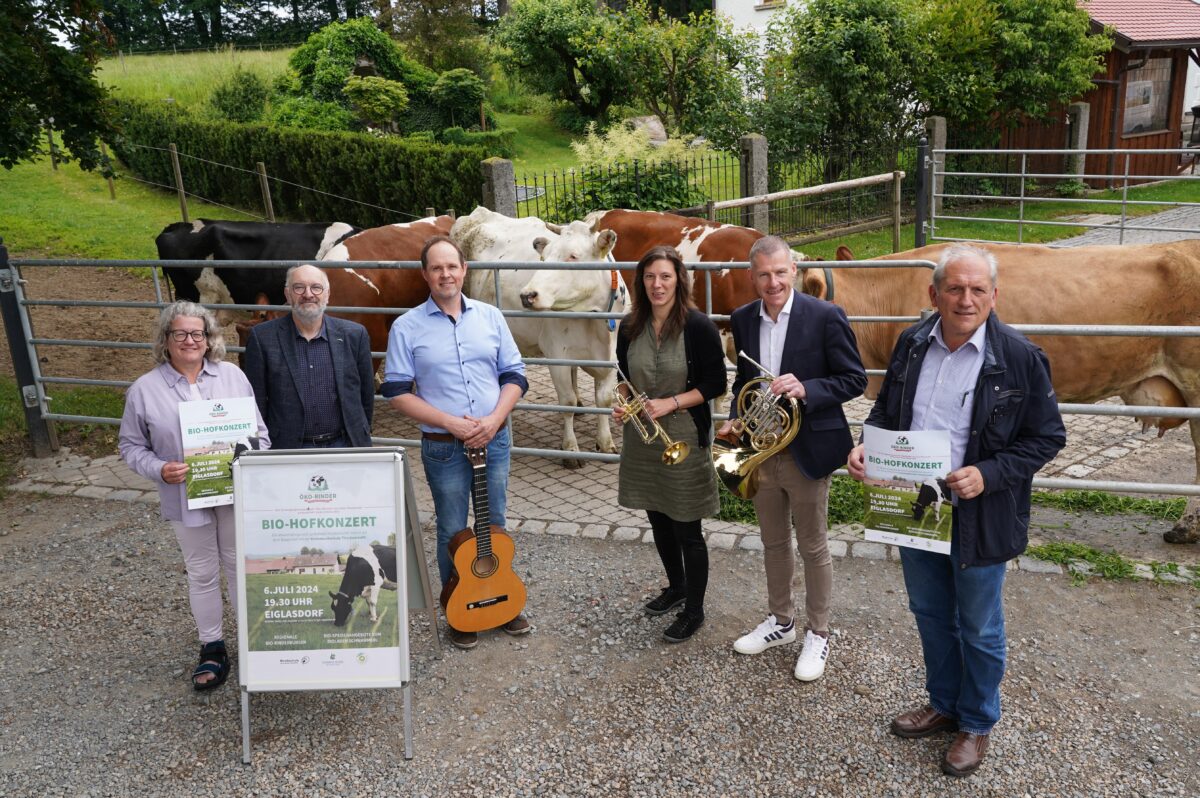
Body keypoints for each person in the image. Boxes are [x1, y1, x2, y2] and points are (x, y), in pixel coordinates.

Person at [846, 244, 1065, 777]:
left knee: (980, 626)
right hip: (915, 505)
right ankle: (944, 704)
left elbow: (1047, 438)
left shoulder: (1019, 357)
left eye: (977, 290)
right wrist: (865, 445)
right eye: (955, 289)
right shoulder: (912, 343)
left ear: (994, 295)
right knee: (930, 614)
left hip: (980, 514)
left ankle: (976, 722)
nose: (966, 300)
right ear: (934, 293)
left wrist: (988, 474)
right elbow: (886, 406)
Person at [716, 235, 866, 681]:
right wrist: (733, 422)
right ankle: (780, 622)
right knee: (774, 542)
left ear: (794, 272)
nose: (773, 282)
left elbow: (853, 378)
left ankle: (818, 634)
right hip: (761, 449)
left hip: (808, 447)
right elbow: (746, 380)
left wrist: (809, 389)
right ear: (751, 277)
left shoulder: (825, 316)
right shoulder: (743, 319)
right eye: (763, 274)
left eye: (780, 273)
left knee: (814, 545)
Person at [380, 235, 530, 650]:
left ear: (464, 270)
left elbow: (515, 376)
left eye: (452, 266)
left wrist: (494, 419)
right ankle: (459, 606)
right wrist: (453, 423)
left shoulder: (490, 317)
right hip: (445, 446)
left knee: (494, 521)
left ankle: (500, 600)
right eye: (436, 267)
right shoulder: (407, 327)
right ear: (425, 274)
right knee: (451, 527)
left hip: (494, 439)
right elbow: (395, 390)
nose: (445, 274)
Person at [118, 300, 270, 691]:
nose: (190, 340)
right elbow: (131, 447)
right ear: (165, 340)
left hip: (233, 493)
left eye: (197, 333)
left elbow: (261, 434)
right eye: (180, 333)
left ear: (209, 339)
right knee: (202, 572)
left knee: (240, 565)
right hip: (185, 495)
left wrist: (250, 458)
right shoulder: (145, 390)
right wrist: (160, 470)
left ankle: (257, 642)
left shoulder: (233, 376)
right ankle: (213, 646)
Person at [614, 246, 726, 644]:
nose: (657, 284)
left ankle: (694, 610)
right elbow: (624, 377)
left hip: (683, 435)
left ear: (679, 278)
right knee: (658, 518)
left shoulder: (698, 327)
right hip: (644, 439)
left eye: (665, 276)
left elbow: (716, 384)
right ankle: (676, 588)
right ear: (641, 283)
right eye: (649, 277)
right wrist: (624, 403)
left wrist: (672, 402)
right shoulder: (629, 327)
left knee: (687, 527)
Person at [242, 263, 374, 449]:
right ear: (288, 294)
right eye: (299, 287)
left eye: (316, 287)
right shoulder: (262, 338)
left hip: (345, 445)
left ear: (327, 294)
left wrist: (361, 431)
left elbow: (366, 394)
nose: (308, 294)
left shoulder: (354, 335)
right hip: (288, 449)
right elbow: (256, 399)